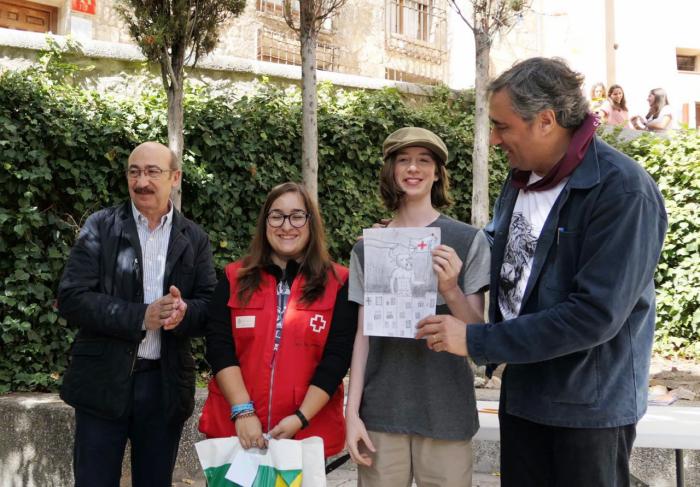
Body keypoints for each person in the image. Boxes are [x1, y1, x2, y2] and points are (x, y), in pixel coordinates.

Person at [416, 57, 667, 487]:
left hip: (587, 412)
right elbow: (503, 254)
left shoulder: (623, 191)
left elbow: (594, 315)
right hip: (524, 397)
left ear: (546, 121)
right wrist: (410, 243)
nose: (494, 139)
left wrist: (476, 338)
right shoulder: (520, 182)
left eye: (502, 126)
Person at [58, 141, 217, 487]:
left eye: (152, 172)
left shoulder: (195, 238)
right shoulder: (101, 226)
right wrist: (140, 317)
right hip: (102, 382)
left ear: (174, 177)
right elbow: (71, 297)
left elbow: (209, 308)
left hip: (164, 388)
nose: (141, 181)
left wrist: (185, 313)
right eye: (134, 171)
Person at [345, 127, 491, 487]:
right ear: (391, 170)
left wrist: (451, 289)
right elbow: (363, 337)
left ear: (438, 172)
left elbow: (480, 335)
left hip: (446, 410)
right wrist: (352, 412)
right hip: (381, 411)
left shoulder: (468, 240)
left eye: (424, 160)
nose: (414, 168)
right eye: (404, 160)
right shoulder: (369, 247)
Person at [199, 182, 357, 459]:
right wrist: (243, 412)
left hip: (305, 435)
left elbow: (336, 359)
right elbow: (219, 347)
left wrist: (299, 418)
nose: (287, 226)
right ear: (265, 222)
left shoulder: (339, 282)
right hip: (237, 432)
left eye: (297, 215)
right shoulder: (233, 277)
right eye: (277, 216)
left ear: (311, 222)